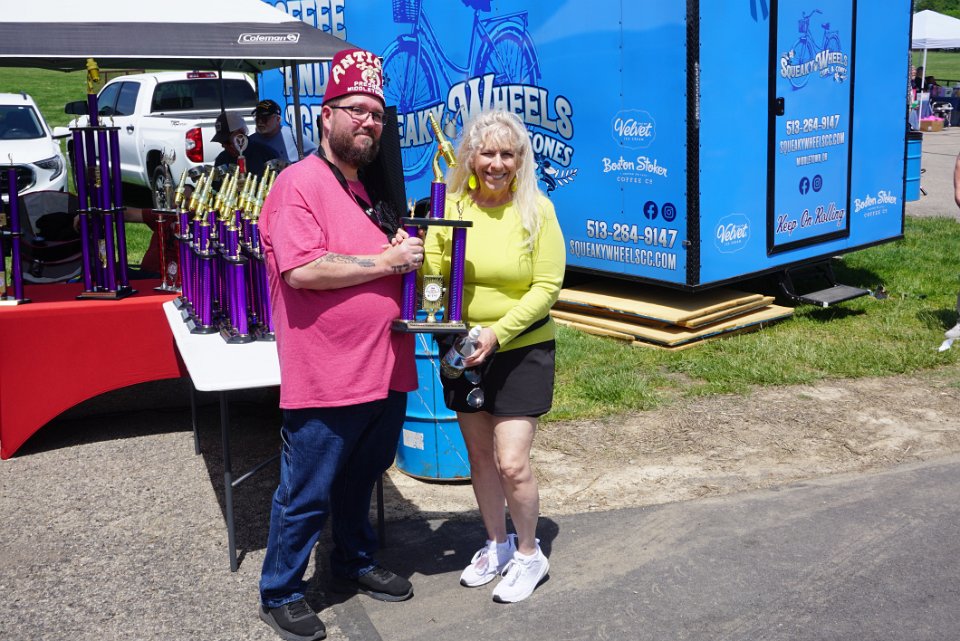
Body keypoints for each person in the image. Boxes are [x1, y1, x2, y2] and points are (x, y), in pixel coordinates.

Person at [256, 48, 422, 641]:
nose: (368, 122)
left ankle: (352, 560)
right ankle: (281, 590)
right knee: (307, 491)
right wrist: (386, 261)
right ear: (326, 116)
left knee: (362, 478)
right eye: (356, 110)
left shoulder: (369, 189)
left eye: (376, 114)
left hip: (385, 367)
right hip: (328, 372)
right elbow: (303, 269)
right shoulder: (298, 183)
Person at [422, 110, 566, 603]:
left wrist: (498, 333)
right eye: (487, 153)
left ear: (520, 160)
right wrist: (422, 268)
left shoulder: (537, 211)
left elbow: (547, 286)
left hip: (521, 348)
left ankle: (529, 554)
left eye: (507, 154)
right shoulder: (451, 207)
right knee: (480, 457)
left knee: (512, 462)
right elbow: (434, 273)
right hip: (463, 348)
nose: (497, 164)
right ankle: (497, 544)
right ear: (470, 156)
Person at [211, 110, 278, 176]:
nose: (224, 146)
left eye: (226, 141)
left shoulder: (267, 155)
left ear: (241, 132)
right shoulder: (221, 160)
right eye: (221, 142)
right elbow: (215, 182)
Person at [250, 98, 318, 162]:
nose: (260, 122)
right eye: (257, 117)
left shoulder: (293, 136)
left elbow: (316, 155)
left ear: (278, 119)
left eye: (264, 118)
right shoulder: (251, 141)